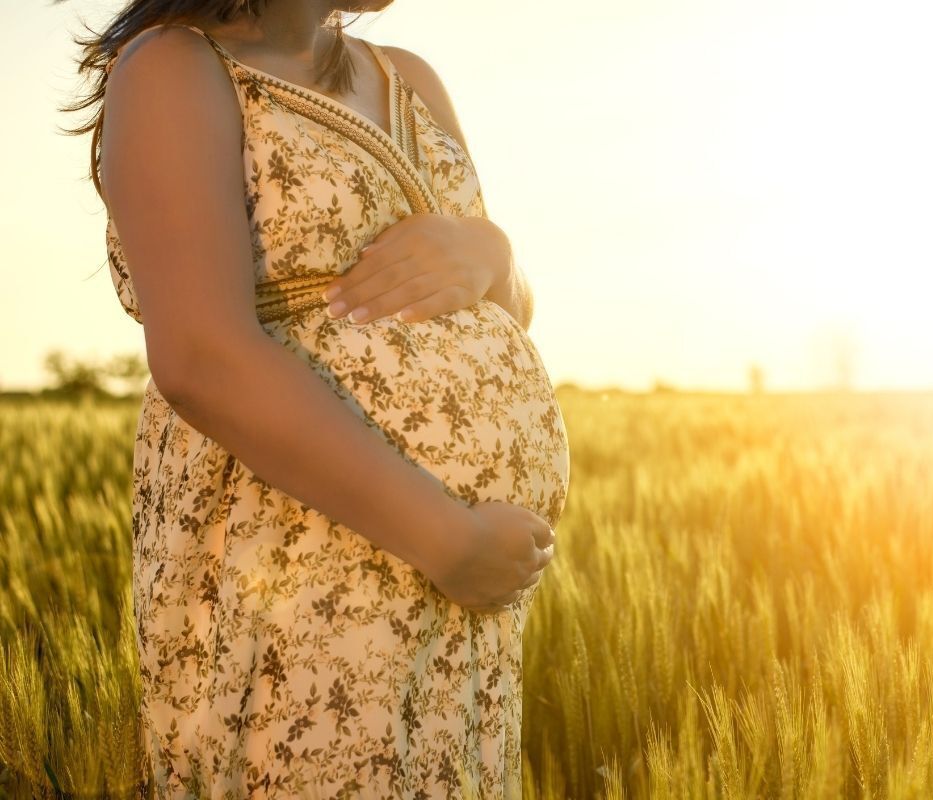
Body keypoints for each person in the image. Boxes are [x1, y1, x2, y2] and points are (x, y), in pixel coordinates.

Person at [74, 0, 572, 796]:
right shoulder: (176, 67)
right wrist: (449, 541)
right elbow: (203, 356)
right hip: (302, 555)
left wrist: (491, 254)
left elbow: (500, 309)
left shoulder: (408, 79)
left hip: (456, 598)